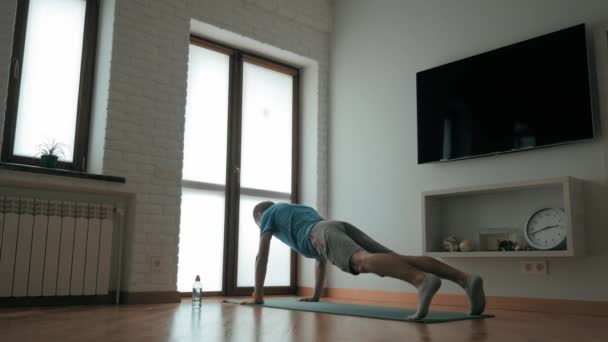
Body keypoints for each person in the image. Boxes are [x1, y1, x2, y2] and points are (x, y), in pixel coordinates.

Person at [240, 201, 485, 319]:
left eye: (258, 225)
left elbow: (262, 255)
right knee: (395, 258)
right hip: (333, 225)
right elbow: (321, 257)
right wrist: (316, 296)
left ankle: (421, 281)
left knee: (361, 261)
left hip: (322, 232)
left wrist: (258, 295)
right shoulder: (297, 210)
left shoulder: (269, 214)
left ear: (260, 216)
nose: (262, 228)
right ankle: (464, 278)